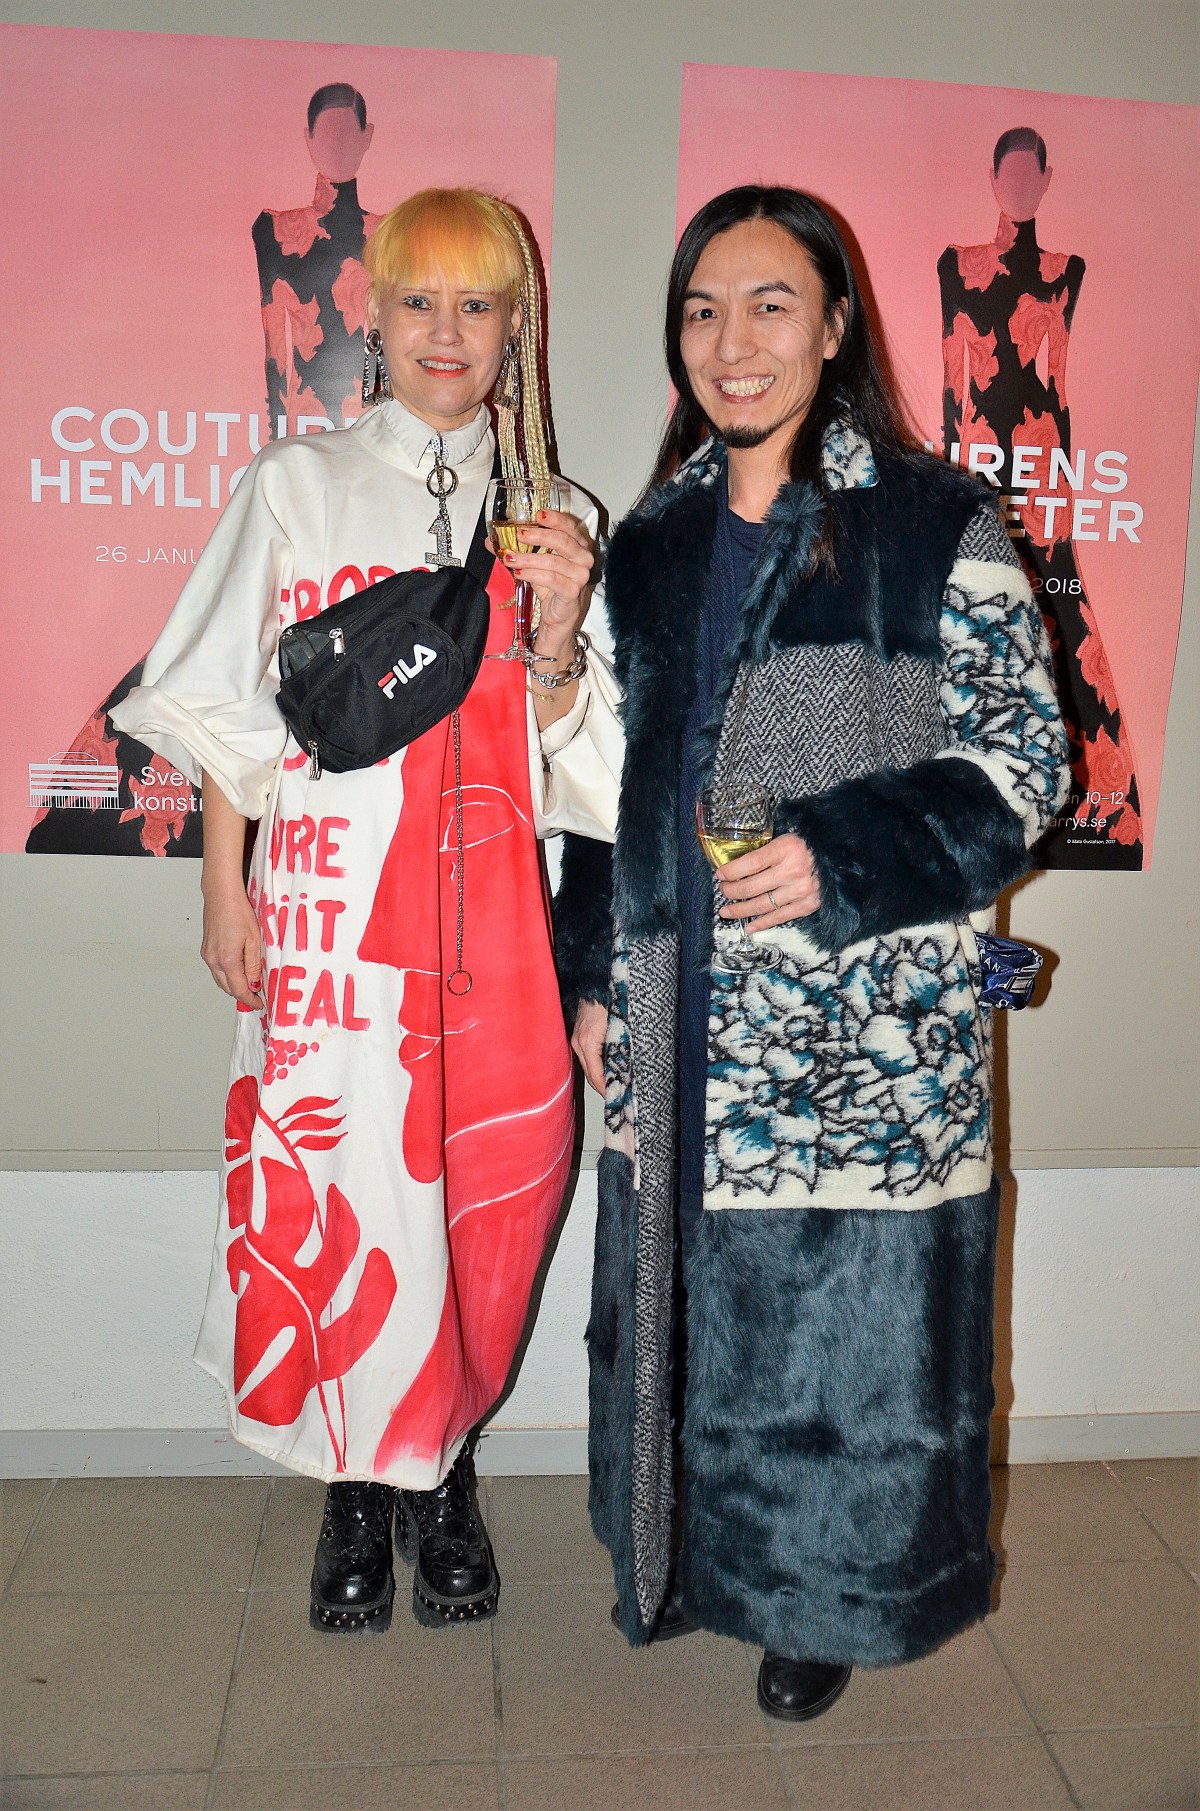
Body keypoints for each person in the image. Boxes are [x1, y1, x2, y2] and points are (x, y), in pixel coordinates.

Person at [554, 185, 1068, 1720]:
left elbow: (1023, 766)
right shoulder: (651, 541)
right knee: (693, 1313)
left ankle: (828, 1593)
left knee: (843, 1336)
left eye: (771, 303)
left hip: (863, 1031)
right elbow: (597, 791)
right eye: (702, 309)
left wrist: (843, 852)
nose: (733, 340)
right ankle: (702, 1560)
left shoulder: (932, 524)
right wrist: (592, 972)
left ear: (837, 324)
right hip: (679, 1001)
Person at [111, 188, 620, 1634]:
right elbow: (229, 712)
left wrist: (562, 631)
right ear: (375, 319)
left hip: (498, 925)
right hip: (333, 912)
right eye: (419, 301)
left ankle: (441, 1464)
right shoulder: (300, 482)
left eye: (479, 304)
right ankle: (355, 1477)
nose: (447, 332)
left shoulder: (559, 516)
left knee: (480, 1200)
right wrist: (225, 890)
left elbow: (589, 772)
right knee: (347, 1189)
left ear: (517, 328)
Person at [938, 126, 1140, 867]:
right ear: (994, 179)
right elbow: (952, 378)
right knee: (965, 622)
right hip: (977, 467)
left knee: (1062, 616)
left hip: (1043, 466)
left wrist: (1061, 473)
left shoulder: (1065, 271)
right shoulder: (956, 264)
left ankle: (1096, 808)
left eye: (1032, 177)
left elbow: (1056, 387)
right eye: (1010, 176)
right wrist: (950, 472)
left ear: (1047, 180)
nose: (1020, 188)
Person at [253, 82, 382, 437]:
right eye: (326, 136)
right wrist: (277, 435)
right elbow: (274, 342)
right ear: (308, 139)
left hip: (373, 421)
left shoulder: (388, 233)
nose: (337, 147)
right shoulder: (274, 229)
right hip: (305, 417)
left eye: (347, 135)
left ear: (367, 136)